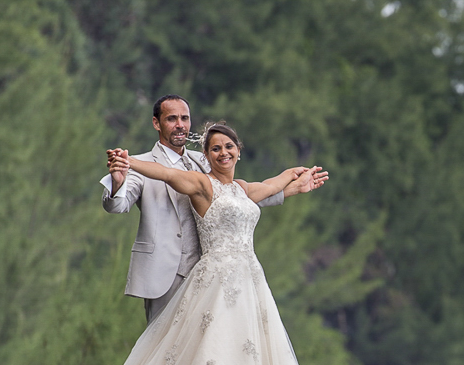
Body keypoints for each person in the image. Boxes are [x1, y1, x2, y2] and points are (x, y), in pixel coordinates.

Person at [82, 122, 330, 365]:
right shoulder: (201, 184)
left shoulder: (244, 189)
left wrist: (295, 177)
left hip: (250, 283)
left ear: (239, 150)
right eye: (215, 149)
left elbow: (270, 186)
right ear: (207, 156)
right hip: (215, 281)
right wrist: (127, 162)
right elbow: (164, 172)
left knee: (251, 363)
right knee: (210, 364)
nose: (223, 153)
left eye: (229, 147)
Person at [101, 94, 325, 323]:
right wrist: (119, 180)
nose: (180, 124)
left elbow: (237, 198)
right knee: (165, 350)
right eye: (172, 119)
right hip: (164, 275)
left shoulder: (207, 158)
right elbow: (117, 205)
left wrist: (292, 188)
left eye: (185, 118)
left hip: (214, 276)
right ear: (156, 123)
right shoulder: (137, 164)